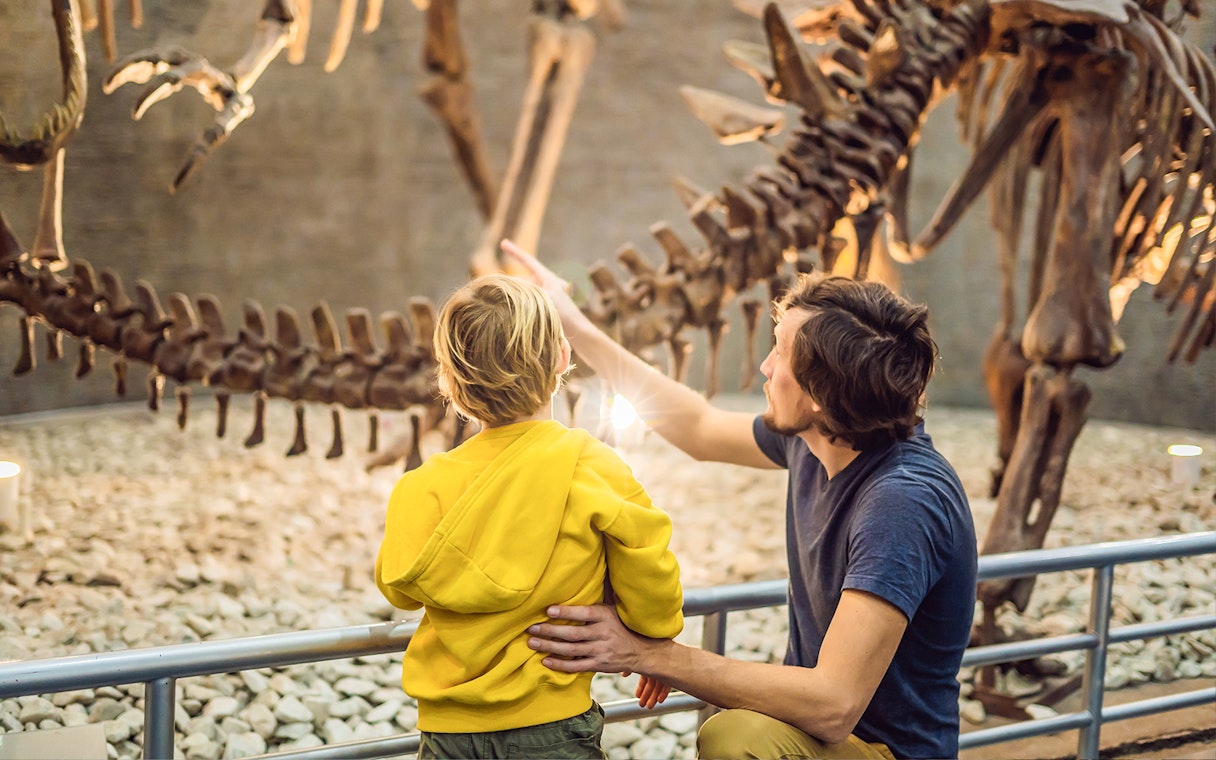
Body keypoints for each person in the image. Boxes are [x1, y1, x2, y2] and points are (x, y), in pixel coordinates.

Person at [504, 239, 978, 760]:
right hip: (828, 738)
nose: (765, 368)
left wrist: (652, 654)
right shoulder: (818, 438)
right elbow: (698, 427)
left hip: (884, 750)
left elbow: (833, 704)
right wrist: (576, 328)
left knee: (735, 737)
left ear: (821, 396)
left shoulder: (901, 502)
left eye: (780, 353)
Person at [374, 274, 684, 760]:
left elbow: (397, 587)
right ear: (562, 358)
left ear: (450, 380)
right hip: (552, 722)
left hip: (446, 730)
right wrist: (655, 636)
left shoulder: (421, 484)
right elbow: (647, 557)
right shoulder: (590, 463)